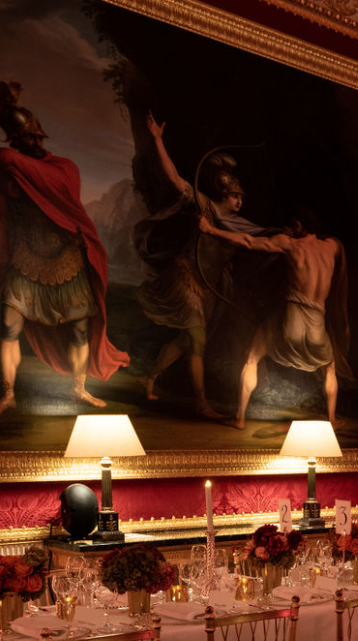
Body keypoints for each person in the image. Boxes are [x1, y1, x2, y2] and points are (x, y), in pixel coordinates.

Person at [0, 82, 126, 415]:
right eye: (27, 139)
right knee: (9, 329)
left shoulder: (63, 170)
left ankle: (78, 390)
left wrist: (11, 159)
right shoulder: (10, 176)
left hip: (67, 261)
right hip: (26, 262)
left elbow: (6, 159)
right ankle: (7, 395)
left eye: (37, 137)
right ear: (15, 140)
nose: (35, 143)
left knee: (80, 331)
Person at [134, 114, 263, 421]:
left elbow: (253, 239)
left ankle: (149, 376)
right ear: (223, 194)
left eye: (241, 197)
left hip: (207, 287)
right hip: (186, 278)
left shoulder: (237, 224)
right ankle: (201, 403)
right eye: (235, 196)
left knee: (185, 340)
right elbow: (174, 177)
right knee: (198, 340)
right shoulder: (203, 205)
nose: (239, 201)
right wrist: (157, 139)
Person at [197, 208, 353, 429]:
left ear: (298, 225)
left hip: (291, 323)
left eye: (292, 226)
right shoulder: (332, 247)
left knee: (252, 357)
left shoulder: (291, 245)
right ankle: (333, 420)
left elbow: (248, 241)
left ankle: (239, 418)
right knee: (329, 368)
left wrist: (211, 230)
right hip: (317, 328)